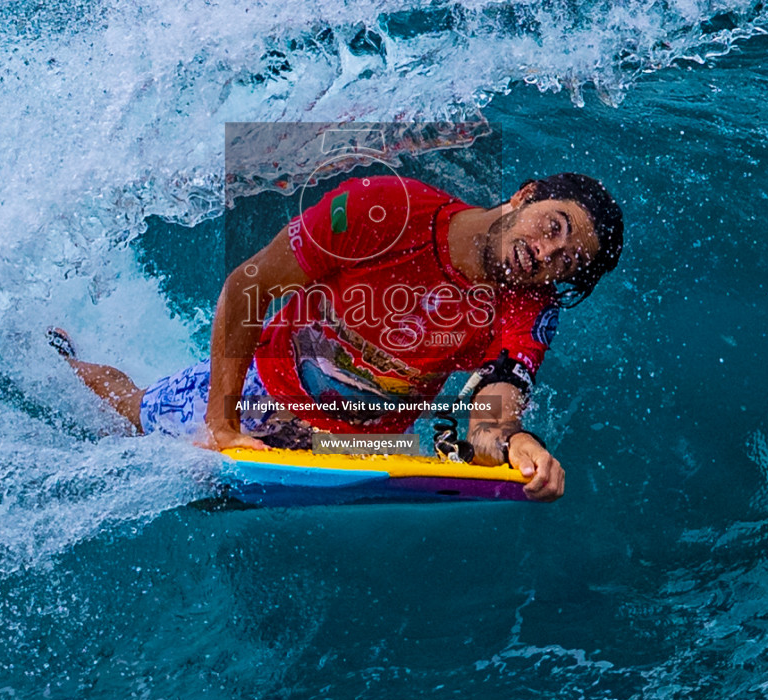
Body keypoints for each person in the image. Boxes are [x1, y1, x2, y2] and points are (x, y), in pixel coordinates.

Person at [51, 171, 623, 501]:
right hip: (264, 394)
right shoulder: (382, 211)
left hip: (366, 445)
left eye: (566, 262)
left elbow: (496, 393)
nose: (547, 254)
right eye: (554, 227)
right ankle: (61, 360)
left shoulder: (530, 303)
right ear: (524, 195)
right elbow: (249, 286)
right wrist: (222, 425)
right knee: (130, 419)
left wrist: (514, 443)